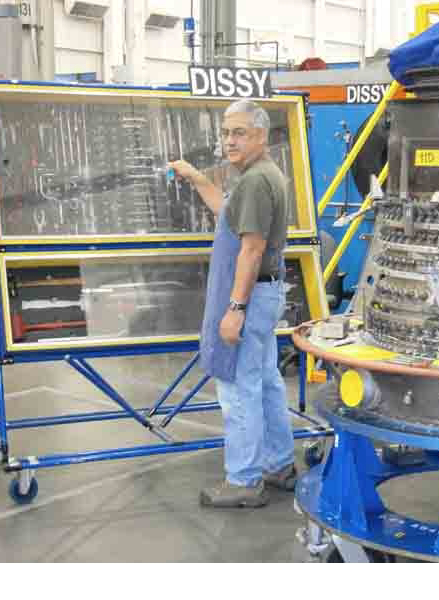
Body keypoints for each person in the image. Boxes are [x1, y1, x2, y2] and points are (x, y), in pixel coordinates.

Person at [168, 99, 296, 508]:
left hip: (252, 297)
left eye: (239, 132)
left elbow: (252, 250)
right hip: (266, 294)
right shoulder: (262, 175)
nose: (230, 141)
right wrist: (194, 177)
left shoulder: (256, 182)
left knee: (239, 389)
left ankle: (243, 480)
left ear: (261, 135)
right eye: (226, 133)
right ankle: (279, 464)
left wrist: (234, 310)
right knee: (267, 382)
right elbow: (228, 212)